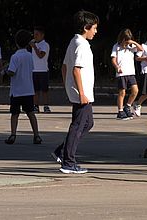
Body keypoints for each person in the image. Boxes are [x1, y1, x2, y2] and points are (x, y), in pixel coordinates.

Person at [52, 10, 99, 174]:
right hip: (82, 92)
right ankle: (68, 162)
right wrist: (80, 92)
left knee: (87, 123)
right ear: (86, 27)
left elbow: (65, 67)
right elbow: (76, 70)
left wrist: (68, 86)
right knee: (78, 126)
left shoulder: (74, 42)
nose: (95, 31)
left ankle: (62, 151)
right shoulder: (81, 45)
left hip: (80, 91)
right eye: (94, 28)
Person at [4, 30, 42, 145]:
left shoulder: (15, 57)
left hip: (16, 91)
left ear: (16, 43)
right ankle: (36, 135)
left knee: (15, 114)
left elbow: (11, 72)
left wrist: (5, 70)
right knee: (31, 113)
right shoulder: (30, 56)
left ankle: (13, 134)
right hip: (28, 89)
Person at [111, 28, 143, 120]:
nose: (125, 44)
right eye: (125, 41)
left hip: (130, 72)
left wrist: (133, 42)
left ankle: (127, 106)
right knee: (122, 92)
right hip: (121, 73)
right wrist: (117, 67)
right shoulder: (116, 46)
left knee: (135, 90)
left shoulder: (131, 47)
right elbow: (113, 59)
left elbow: (141, 49)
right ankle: (120, 111)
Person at [133, 28, 147, 118]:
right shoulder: (143, 46)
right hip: (146, 70)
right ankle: (138, 103)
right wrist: (145, 59)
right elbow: (137, 58)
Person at [30, 26, 51, 113]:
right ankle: (36, 105)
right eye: (34, 34)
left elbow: (41, 56)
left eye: (37, 34)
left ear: (42, 35)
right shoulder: (34, 45)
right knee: (35, 90)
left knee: (44, 90)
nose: (35, 36)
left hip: (43, 70)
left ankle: (46, 106)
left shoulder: (44, 45)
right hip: (34, 70)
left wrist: (34, 47)